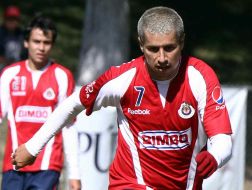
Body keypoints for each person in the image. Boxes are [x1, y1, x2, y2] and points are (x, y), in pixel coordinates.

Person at [12, 6, 233, 190]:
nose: (162, 58)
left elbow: (222, 139)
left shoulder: (200, 77)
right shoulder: (121, 79)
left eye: (169, 48)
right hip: (130, 184)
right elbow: (72, 104)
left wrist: (214, 157)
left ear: (182, 43)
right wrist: (33, 147)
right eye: (153, 49)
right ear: (141, 45)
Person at [0, 15, 81, 190]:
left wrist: (74, 173)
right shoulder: (9, 74)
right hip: (13, 164)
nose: (41, 47)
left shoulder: (62, 76)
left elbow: (69, 126)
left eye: (47, 42)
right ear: (26, 42)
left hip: (48, 166)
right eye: (37, 41)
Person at [0, 5, 27, 71]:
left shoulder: (23, 34)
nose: (12, 22)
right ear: (5, 19)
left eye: (14, 19)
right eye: (9, 19)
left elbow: (26, 54)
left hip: (19, 66)